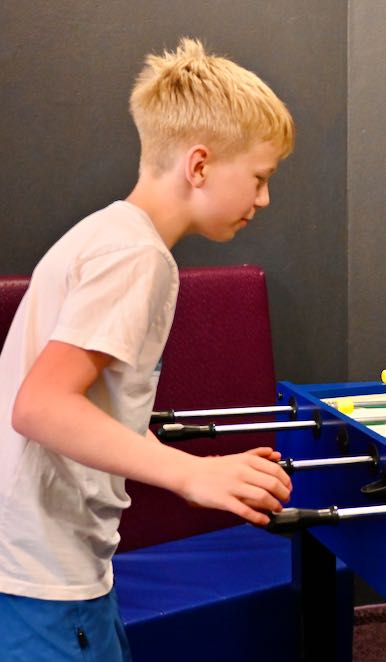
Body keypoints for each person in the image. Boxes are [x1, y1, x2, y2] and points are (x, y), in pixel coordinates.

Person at [0, 38, 296, 660]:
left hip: (53, 563)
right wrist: (191, 471)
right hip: (41, 576)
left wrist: (184, 472)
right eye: (260, 178)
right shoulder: (138, 257)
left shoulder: (109, 235)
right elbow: (40, 407)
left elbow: (93, 415)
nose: (263, 199)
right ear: (199, 165)